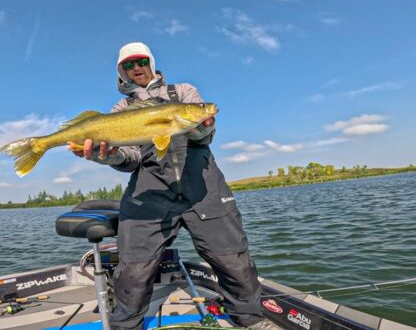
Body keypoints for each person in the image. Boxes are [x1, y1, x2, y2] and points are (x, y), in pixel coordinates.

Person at [70, 42, 270, 329]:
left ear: (150, 61)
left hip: (204, 191)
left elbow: (203, 137)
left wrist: (202, 124)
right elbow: (132, 158)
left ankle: (249, 320)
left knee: (234, 261)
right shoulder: (120, 109)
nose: (136, 68)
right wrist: (109, 157)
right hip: (150, 194)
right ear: (121, 72)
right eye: (128, 65)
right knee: (133, 271)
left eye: (140, 61)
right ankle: (125, 325)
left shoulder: (184, 93)